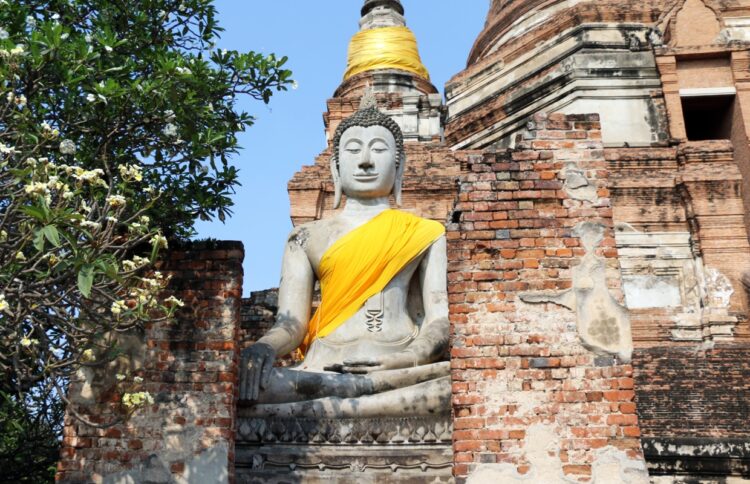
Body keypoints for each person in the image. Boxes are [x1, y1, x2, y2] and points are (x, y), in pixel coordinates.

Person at [239, 94, 450, 418]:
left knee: (452, 385)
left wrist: (408, 359)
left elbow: (439, 320)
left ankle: (347, 402)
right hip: (322, 369)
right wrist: (263, 348)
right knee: (249, 386)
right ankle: (358, 401)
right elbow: (291, 325)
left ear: (400, 166)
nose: (365, 161)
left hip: (401, 370)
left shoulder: (427, 232)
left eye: (379, 150)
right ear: (336, 167)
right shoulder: (305, 237)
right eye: (353, 151)